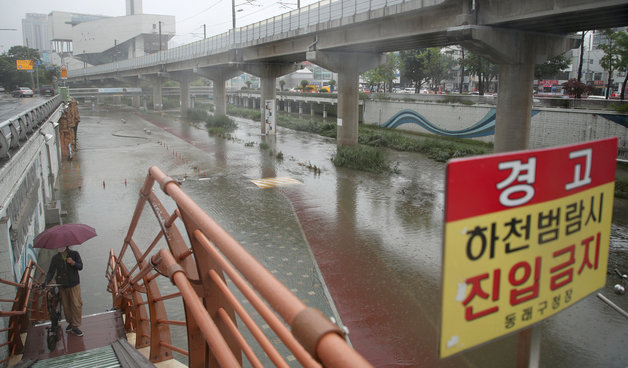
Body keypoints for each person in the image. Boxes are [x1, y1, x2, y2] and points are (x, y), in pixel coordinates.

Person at [44, 246, 84, 337]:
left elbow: (80, 266)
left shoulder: (74, 254)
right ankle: (70, 322)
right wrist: (46, 282)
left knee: (76, 304)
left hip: (74, 284)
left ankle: (75, 325)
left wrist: (73, 262)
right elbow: (51, 272)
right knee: (66, 306)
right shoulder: (56, 258)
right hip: (62, 285)